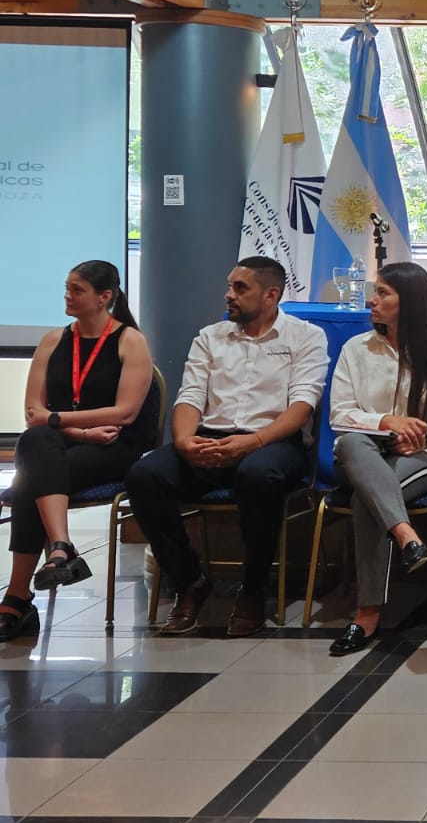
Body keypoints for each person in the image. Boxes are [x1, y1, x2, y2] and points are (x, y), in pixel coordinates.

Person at [125, 257, 329, 637]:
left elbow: (303, 406)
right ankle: (189, 581)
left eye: (240, 288)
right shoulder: (210, 337)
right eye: (229, 286)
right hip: (211, 438)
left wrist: (253, 442)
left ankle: (253, 591)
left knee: (258, 475)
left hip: (272, 442)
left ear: (271, 295)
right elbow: (190, 396)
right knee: (144, 475)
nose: (228, 295)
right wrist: (184, 441)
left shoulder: (306, 336)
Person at [325, 261, 427, 655]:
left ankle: (366, 613)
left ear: (409, 302)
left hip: (424, 454)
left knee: (367, 498)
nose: (371, 300)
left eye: (383, 293)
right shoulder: (356, 349)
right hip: (363, 451)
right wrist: (386, 422)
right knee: (350, 444)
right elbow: (340, 415)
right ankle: (407, 536)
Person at [1, 261, 159, 642]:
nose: (67, 296)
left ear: (104, 297)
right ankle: (61, 547)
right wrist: (81, 431)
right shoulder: (53, 341)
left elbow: (124, 414)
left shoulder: (130, 341)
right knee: (33, 443)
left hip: (115, 446)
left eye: (77, 290)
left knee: (30, 479)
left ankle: (17, 599)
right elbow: (33, 413)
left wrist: (57, 420)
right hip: (71, 442)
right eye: (67, 288)